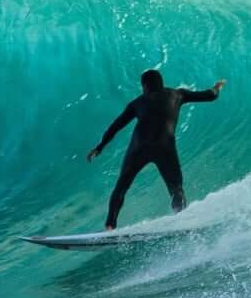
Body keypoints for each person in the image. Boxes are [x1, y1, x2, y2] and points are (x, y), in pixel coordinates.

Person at [87, 69, 227, 231]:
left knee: (121, 187)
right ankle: (181, 220)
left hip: (138, 148)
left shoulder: (137, 103)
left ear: (145, 85)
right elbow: (209, 96)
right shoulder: (177, 94)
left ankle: (110, 226)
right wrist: (216, 88)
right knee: (176, 188)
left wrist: (99, 147)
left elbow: (115, 126)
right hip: (164, 147)